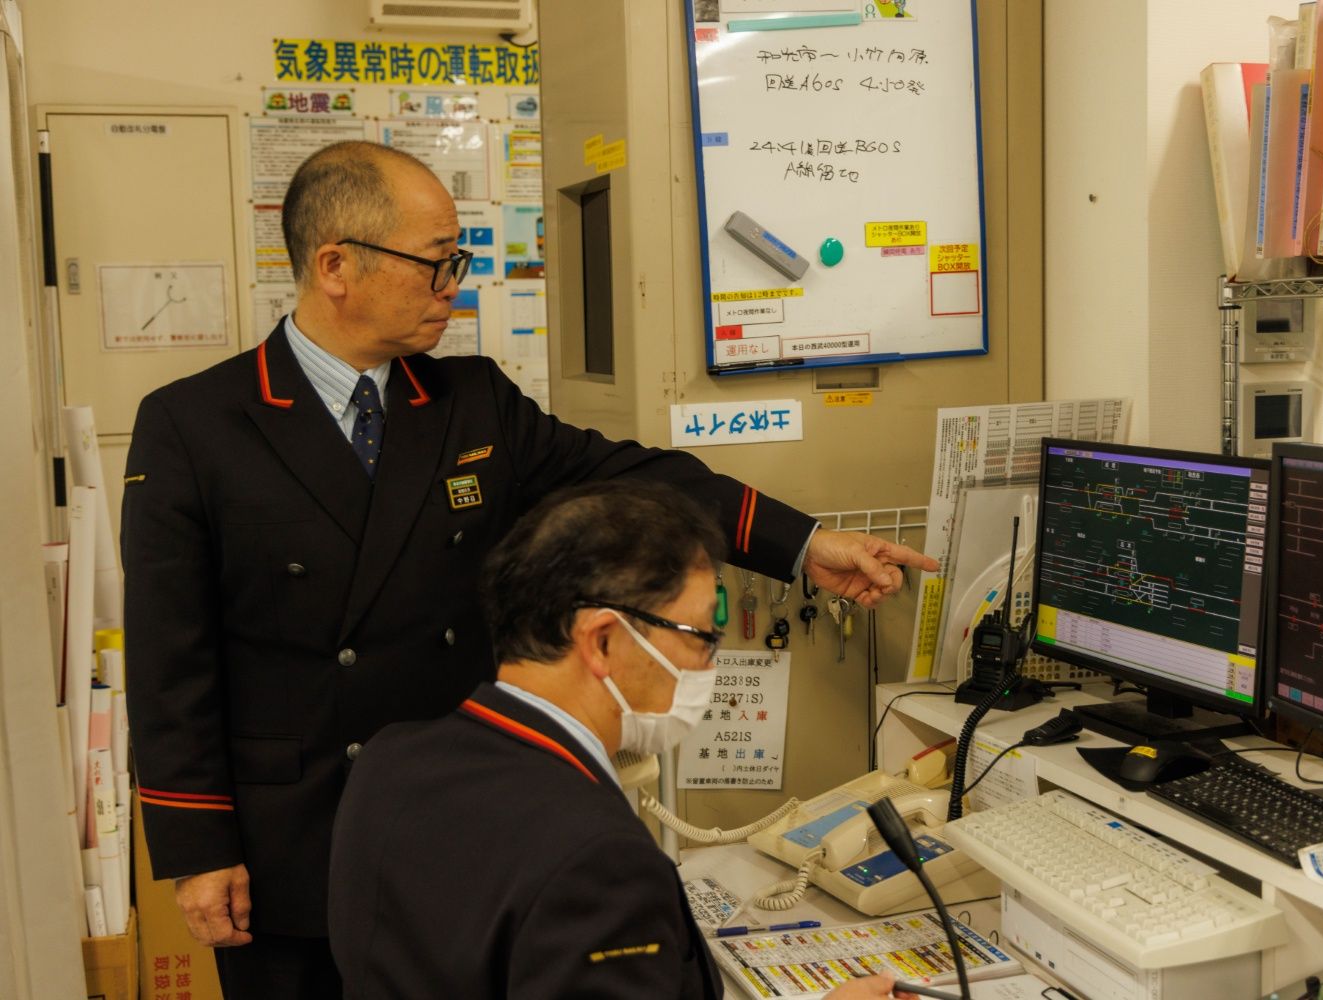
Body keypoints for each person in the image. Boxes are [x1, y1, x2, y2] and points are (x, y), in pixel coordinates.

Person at [121, 139, 937, 997]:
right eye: (436, 262)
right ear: (335, 266)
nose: (454, 286)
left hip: (465, 815)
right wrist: (197, 846)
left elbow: (629, 475)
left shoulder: (468, 398)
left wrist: (805, 544)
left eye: (458, 261)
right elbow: (169, 657)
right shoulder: (195, 424)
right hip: (291, 834)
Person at [328, 480, 916, 999]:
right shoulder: (600, 862)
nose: (708, 665)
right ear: (603, 641)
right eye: (700, 637)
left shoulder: (391, 758)